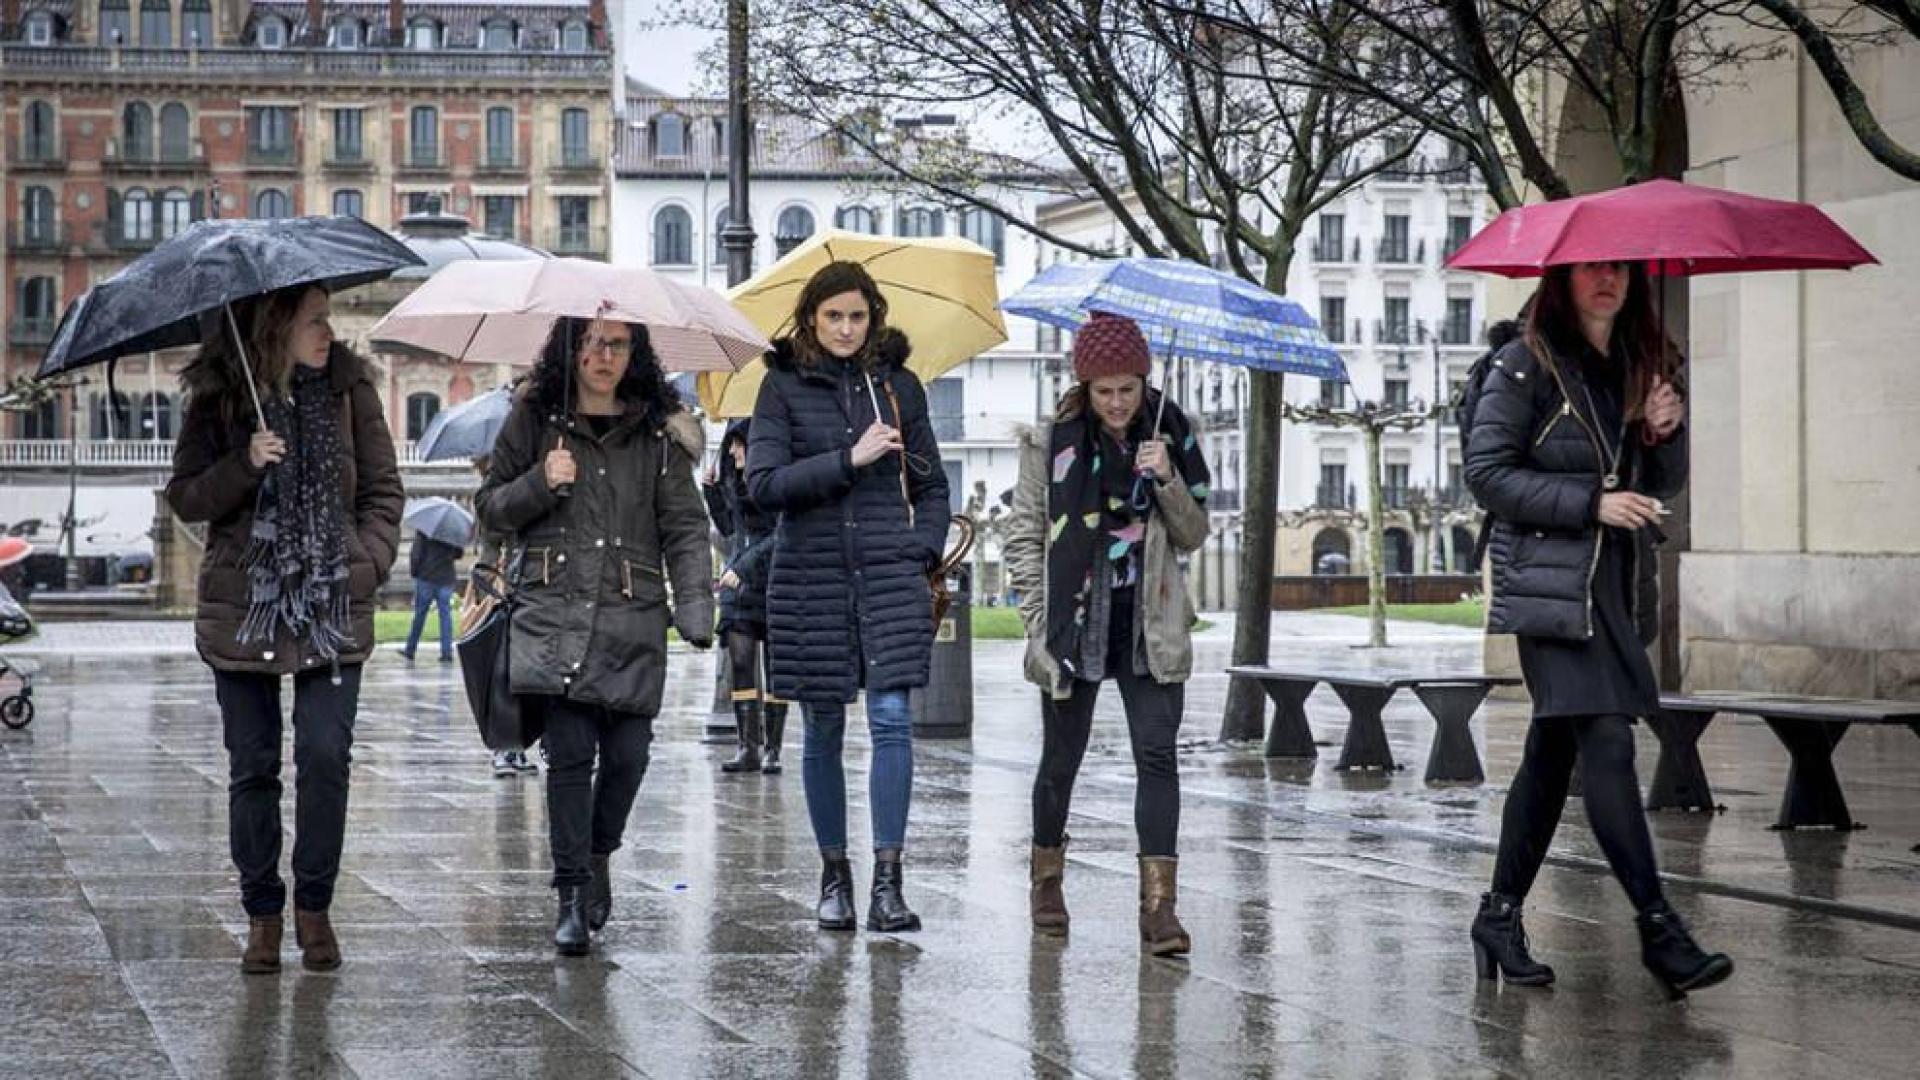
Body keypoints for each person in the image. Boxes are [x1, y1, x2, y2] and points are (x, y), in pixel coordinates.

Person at [1464, 260, 1732, 998]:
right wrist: (1590, 502)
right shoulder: (1525, 364)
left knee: (1552, 756)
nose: (1607, 280)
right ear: (1563, 279)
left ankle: (1498, 916)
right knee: (1607, 739)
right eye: (1591, 269)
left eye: (1620, 269)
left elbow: (1657, 486)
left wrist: (1664, 432)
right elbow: (1487, 474)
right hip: (1550, 592)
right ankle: (1659, 930)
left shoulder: (1639, 366)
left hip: (1611, 588)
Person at [165, 284, 403, 975]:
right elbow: (185, 494)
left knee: (326, 757)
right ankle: (264, 914)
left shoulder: (352, 390)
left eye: (328, 319)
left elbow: (385, 491)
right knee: (254, 766)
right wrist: (246, 462)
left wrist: (366, 561)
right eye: (314, 321)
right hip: (246, 605)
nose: (329, 332)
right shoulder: (220, 397)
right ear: (275, 328)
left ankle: (315, 906)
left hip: (333, 602)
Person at [474, 315, 712, 957]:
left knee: (630, 755)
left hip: (631, 614)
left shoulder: (659, 434)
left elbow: (686, 529)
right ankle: (571, 892)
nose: (602, 355)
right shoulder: (534, 420)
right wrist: (540, 483)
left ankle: (600, 850)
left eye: (616, 344)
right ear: (569, 349)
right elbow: (491, 508)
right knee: (570, 755)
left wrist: (695, 606)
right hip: (553, 614)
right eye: (589, 342)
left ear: (634, 354)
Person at [746, 261, 949, 933]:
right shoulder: (780, 388)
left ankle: (889, 883)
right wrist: (849, 459)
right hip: (811, 578)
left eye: (857, 316)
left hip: (889, 576)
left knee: (892, 719)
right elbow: (765, 485)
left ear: (874, 317)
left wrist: (920, 549)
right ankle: (835, 879)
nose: (845, 328)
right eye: (833, 316)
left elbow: (934, 487)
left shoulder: (899, 388)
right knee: (824, 726)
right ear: (811, 318)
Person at [1002, 312, 1211, 956]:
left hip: (1149, 624)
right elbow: (1025, 536)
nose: (1118, 403)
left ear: (1145, 382)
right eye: (1105, 391)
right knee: (1062, 760)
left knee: (1157, 756)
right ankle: (1046, 883)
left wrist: (1167, 478)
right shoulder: (1051, 445)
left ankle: (1159, 912)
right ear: (1084, 389)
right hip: (1077, 623)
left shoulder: (1171, 437)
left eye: (1128, 389)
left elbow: (1194, 534)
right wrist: (1041, 623)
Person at [702, 419, 786, 775]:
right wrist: (712, 493)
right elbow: (728, 529)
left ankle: (773, 750)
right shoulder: (735, 483)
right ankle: (746, 747)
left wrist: (747, 565)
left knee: (775, 668)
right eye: (731, 445)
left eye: (740, 445)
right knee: (740, 663)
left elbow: (781, 534)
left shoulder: (779, 484)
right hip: (737, 588)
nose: (733, 451)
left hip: (773, 582)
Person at [399, 530, 461, 664]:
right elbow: (459, 553)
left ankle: (410, 649)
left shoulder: (424, 530)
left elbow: (416, 554)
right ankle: (446, 652)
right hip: (446, 577)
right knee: (445, 616)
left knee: (420, 615)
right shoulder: (452, 531)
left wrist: (414, 572)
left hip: (426, 576)